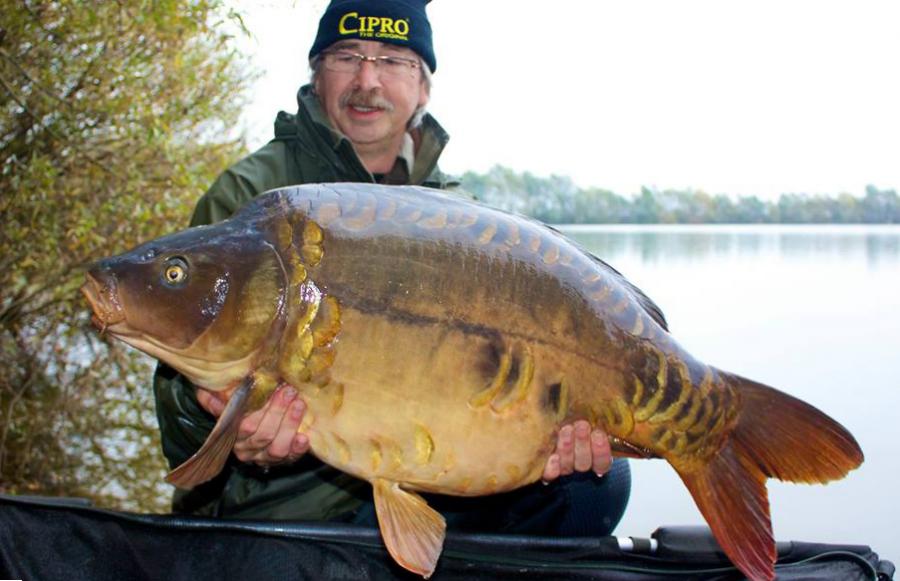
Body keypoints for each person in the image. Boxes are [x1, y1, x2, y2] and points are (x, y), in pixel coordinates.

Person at [153, 0, 631, 535]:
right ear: (316, 76)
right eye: (346, 55)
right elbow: (177, 418)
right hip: (288, 507)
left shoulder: (462, 217)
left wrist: (540, 441)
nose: (367, 80)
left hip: (430, 473)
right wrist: (221, 423)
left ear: (423, 86)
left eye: (392, 60)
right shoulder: (252, 198)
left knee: (596, 487)